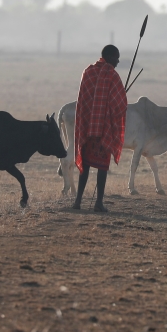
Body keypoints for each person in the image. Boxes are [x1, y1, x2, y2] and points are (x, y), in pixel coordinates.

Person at [72, 45, 127, 212]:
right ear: (110, 57)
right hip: (103, 130)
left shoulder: (87, 72)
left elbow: (83, 101)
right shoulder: (112, 75)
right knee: (102, 167)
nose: (118, 61)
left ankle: (78, 202)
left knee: (86, 166)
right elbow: (119, 105)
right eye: (116, 58)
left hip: (87, 129)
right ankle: (98, 203)